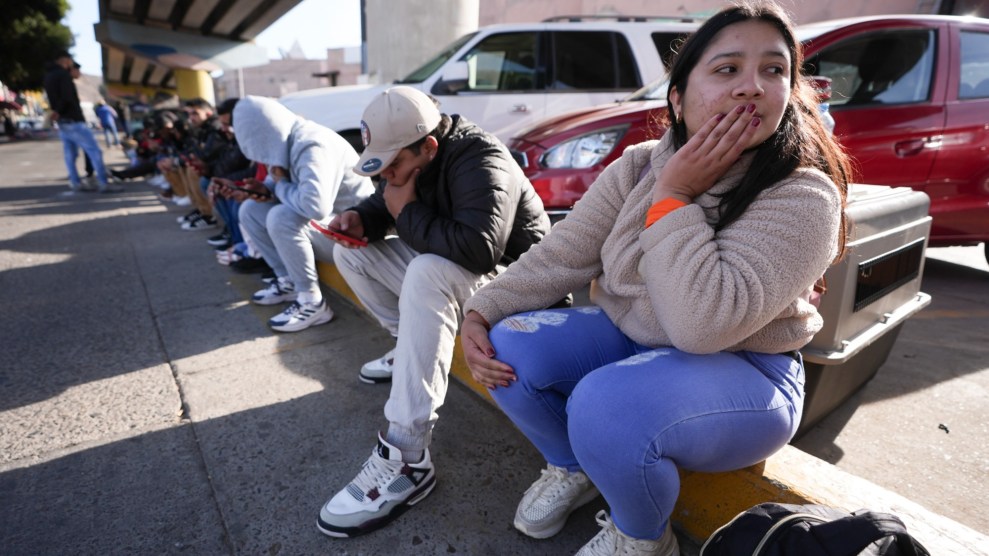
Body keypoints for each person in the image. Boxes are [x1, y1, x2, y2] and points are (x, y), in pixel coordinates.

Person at [460, 3, 851, 555]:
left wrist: (674, 196)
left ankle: (642, 536)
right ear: (677, 97)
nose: (752, 88)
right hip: (637, 338)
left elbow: (701, 327)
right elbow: (562, 255)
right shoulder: (638, 165)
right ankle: (573, 468)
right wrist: (482, 308)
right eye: (727, 69)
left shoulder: (802, 194)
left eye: (773, 70)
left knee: (605, 406)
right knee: (509, 346)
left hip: (746, 368)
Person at [315, 86, 551, 537]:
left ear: (429, 146)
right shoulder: (413, 157)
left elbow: (479, 250)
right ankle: (410, 348)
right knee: (353, 254)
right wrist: (362, 219)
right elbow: (391, 197)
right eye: (379, 165)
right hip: (466, 275)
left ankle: (407, 456)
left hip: (524, 285)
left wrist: (404, 216)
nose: (387, 174)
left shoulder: (482, 157)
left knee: (426, 269)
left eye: (394, 163)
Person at [232, 95, 374, 332]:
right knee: (251, 209)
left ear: (266, 133)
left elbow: (314, 206)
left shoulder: (312, 144)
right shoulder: (283, 140)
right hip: (332, 228)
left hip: (357, 235)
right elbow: (279, 183)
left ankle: (312, 302)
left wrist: (277, 186)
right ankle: (288, 281)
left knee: (281, 217)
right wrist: (264, 189)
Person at [43, 52, 121, 195]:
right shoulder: (63, 75)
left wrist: (57, 113)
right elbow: (67, 97)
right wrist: (59, 111)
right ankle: (103, 183)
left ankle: (75, 183)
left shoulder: (48, 76)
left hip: (63, 122)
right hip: (73, 120)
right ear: (65, 60)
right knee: (95, 151)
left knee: (70, 155)